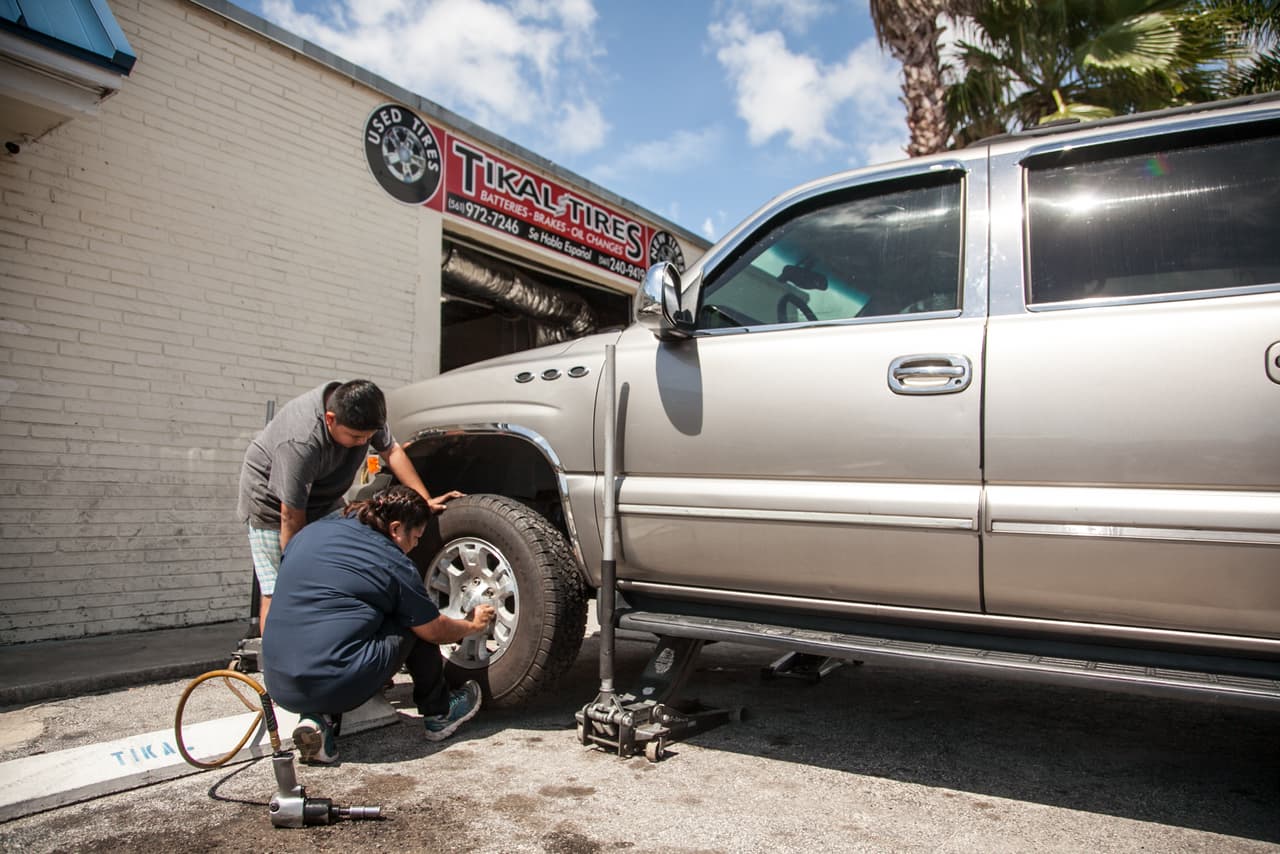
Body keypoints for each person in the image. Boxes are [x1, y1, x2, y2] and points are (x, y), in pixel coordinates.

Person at [262, 485, 497, 764]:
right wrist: (471, 624)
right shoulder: (392, 562)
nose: (416, 546)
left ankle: (317, 721)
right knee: (413, 618)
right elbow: (433, 630)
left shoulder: (310, 534)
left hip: (279, 682)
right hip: (334, 681)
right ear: (396, 528)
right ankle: (440, 712)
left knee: (330, 630)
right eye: (417, 537)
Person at [237, 379, 461, 634]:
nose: (362, 442)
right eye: (355, 437)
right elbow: (290, 515)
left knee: (337, 569)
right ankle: (275, 666)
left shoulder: (364, 411)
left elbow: (393, 451)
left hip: (324, 499)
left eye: (367, 437)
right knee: (282, 589)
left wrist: (424, 500)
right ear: (330, 419)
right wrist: (297, 565)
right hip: (272, 508)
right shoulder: (300, 441)